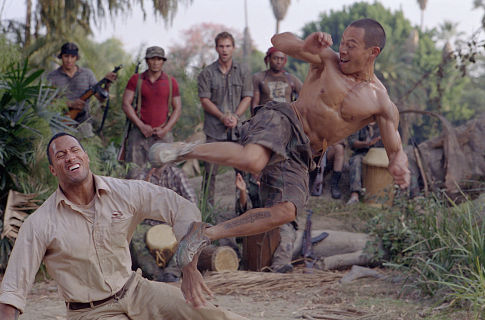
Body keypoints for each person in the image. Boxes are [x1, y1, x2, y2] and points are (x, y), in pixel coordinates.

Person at [150, 19, 410, 293]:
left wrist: (399, 164)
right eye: (342, 42)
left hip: (305, 152)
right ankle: (183, 150)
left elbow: (395, 149)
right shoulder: (327, 59)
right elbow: (278, 41)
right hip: (285, 118)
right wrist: (304, 44)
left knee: (287, 211)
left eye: (351, 46)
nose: (342, 50)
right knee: (253, 160)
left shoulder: (381, 102)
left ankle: (204, 234)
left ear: (373, 52)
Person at [0, 132, 247, 320]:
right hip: (91, 312)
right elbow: (12, 292)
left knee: (213, 314)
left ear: (85, 157)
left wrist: (189, 267)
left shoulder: (124, 192)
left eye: (75, 150)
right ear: (53, 169)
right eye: (61, 155)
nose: (70, 157)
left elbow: (182, 208)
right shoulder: (39, 223)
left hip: (136, 290)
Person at [197, 31, 253, 210]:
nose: (224, 50)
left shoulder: (243, 71)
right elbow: (205, 100)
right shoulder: (207, 73)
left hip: (238, 130)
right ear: (216, 48)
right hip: (215, 130)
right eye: (221, 46)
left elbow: (247, 96)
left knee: (242, 172)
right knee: (209, 173)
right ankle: (207, 213)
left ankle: (242, 211)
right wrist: (222, 117)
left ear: (233, 48)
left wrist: (236, 116)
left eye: (228, 46)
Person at [127, 165, 197, 283]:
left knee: (189, 236)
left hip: (173, 223)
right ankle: (155, 274)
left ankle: (172, 272)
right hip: (148, 224)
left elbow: (192, 201)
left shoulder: (177, 174)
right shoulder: (142, 175)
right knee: (135, 238)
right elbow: (133, 204)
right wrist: (143, 188)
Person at [122, 46, 182, 169]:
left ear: (163, 61)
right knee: (135, 173)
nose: (155, 62)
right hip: (139, 134)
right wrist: (141, 126)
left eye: (159, 59)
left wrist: (166, 129)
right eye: (152, 59)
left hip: (163, 134)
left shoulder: (171, 82)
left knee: (166, 173)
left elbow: (177, 108)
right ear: (147, 60)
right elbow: (126, 104)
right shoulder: (136, 79)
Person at [47, 42, 117, 125]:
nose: (69, 60)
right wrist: (71, 104)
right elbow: (49, 102)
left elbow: (101, 99)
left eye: (72, 57)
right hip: (60, 122)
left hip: (84, 122)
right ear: (61, 57)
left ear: (76, 58)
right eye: (66, 56)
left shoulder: (87, 74)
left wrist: (107, 85)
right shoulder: (53, 76)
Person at [346, 122, 383, 205]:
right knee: (355, 161)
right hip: (362, 154)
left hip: (379, 155)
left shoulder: (382, 125)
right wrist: (366, 143)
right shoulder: (359, 124)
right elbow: (352, 142)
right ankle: (354, 196)